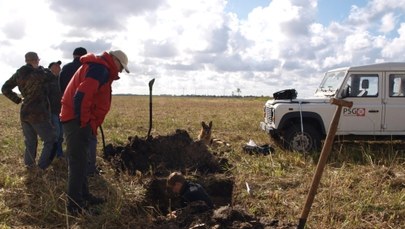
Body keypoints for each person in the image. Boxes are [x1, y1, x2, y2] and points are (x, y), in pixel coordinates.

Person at [60, 49, 130, 215]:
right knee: (77, 164)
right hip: (77, 121)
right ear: (114, 59)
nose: (120, 71)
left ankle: (84, 196)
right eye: (121, 66)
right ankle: (75, 207)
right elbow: (82, 96)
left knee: (82, 162)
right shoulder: (100, 69)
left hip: (79, 121)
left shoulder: (100, 68)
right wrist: (85, 122)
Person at [1, 52, 57, 170]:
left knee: (30, 142)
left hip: (25, 111)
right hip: (38, 113)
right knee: (50, 139)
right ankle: (42, 167)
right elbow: (52, 77)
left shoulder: (19, 74)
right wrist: (43, 69)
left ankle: (29, 167)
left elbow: (5, 88)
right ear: (36, 60)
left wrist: (17, 99)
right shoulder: (40, 73)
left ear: (26, 61)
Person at [59, 47, 100, 176]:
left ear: (73, 55)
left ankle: (73, 168)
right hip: (86, 110)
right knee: (91, 139)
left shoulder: (66, 69)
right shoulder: (89, 68)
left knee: (72, 142)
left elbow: (62, 89)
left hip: (68, 111)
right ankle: (90, 167)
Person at [47, 60, 64, 158]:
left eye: (59, 66)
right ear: (51, 69)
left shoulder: (62, 80)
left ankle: (59, 153)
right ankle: (54, 154)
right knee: (56, 134)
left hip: (62, 111)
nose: (58, 67)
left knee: (61, 134)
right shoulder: (48, 81)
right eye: (56, 66)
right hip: (52, 111)